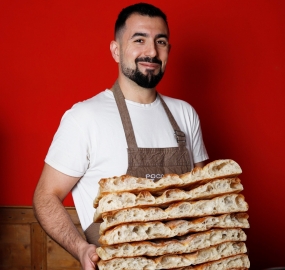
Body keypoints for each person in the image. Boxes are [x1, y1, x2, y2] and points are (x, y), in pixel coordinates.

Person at [33, 2, 209, 269]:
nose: (151, 51)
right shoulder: (84, 117)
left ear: (168, 51)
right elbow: (45, 196)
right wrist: (81, 249)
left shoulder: (185, 114)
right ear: (116, 50)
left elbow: (203, 199)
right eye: (139, 40)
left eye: (160, 41)